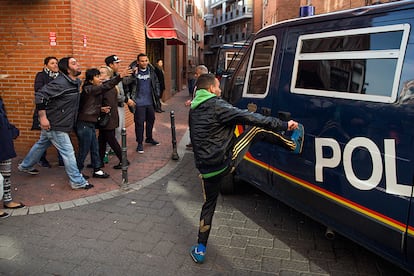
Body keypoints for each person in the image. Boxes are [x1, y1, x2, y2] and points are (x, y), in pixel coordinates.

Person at [188, 73, 303, 263]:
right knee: (256, 130)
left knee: (208, 206)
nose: (220, 90)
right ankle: (293, 144)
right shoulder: (218, 105)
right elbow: (250, 117)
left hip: (204, 170)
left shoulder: (194, 108)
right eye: (218, 87)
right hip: (223, 163)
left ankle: (200, 249)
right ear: (210, 90)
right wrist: (284, 124)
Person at [18, 57, 93, 190]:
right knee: (68, 152)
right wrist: (43, 117)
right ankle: (77, 181)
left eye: (77, 62)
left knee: (41, 144)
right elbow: (40, 95)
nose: (78, 65)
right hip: (55, 124)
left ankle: (25, 165)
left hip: (60, 121)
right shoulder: (60, 83)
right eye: (74, 63)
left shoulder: (75, 82)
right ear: (67, 68)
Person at [76, 68, 125, 179]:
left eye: (100, 75)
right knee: (84, 149)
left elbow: (90, 105)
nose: (99, 79)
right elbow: (105, 87)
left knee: (94, 147)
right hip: (84, 123)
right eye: (97, 77)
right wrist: (119, 77)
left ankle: (97, 169)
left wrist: (100, 109)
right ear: (90, 79)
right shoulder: (89, 88)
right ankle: (77, 172)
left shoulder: (92, 89)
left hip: (91, 123)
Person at [125, 53, 161, 154]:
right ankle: (139, 143)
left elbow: (156, 82)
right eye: (142, 61)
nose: (144, 63)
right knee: (139, 124)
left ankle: (149, 138)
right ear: (138, 62)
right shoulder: (133, 71)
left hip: (150, 101)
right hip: (138, 103)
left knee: (151, 120)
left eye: (146, 60)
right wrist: (133, 75)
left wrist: (157, 94)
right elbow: (126, 84)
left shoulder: (151, 70)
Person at [32, 56, 64, 168]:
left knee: (61, 134)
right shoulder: (41, 76)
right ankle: (39, 159)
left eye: (56, 63)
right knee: (44, 138)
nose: (55, 65)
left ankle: (62, 159)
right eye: (52, 63)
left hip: (58, 111)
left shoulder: (61, 76)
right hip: (45, 111)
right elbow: (39, 91)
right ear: (46, 65)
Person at [98, 66, 131, 169]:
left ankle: (124, 160)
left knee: (111, 141)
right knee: (102, 140)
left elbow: (107, 103)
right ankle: (100, 161)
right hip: (109, 118)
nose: (100, 75)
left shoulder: (107, 87)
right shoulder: (108, 86)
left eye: (102, 73)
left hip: (108, 118)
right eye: (99, 73)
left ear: (108, 75)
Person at [0, 93, 25, 219]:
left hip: (4, 142)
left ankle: (8, 200)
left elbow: (3, 118)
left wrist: (11, 130)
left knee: (6, 175)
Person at [184, 65, 209, 149]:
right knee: (193, 126)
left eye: (197, 74)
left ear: (202, 74)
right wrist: (192, 100)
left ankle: (197, 144)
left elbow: (203, 98)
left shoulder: (206, 85)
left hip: (200, 111)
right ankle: (193, 142)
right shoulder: (199, 82)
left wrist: (192, 102)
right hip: (195, 108)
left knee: (197, 128)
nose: (195, 75)